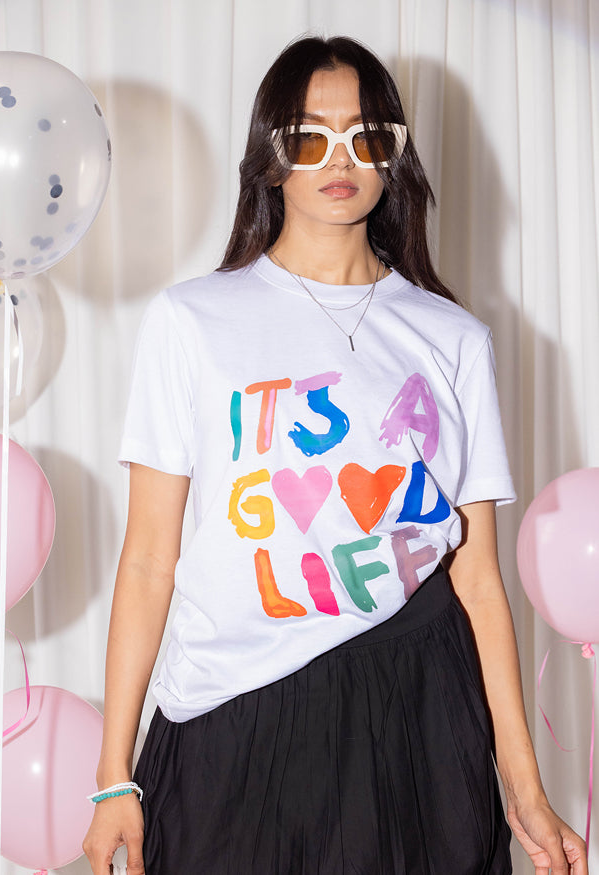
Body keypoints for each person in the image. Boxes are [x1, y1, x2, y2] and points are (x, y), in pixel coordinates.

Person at [83, 35, 587, 875]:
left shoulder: (453, 337)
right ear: (270, 156)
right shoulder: (193, 320)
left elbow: (477, 579)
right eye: (309, 136)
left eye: (366, 134)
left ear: (394, 154)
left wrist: (525, 786)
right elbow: (145, 561)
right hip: (230, 709)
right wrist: (114, 777)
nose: (340, 158)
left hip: (415, 706)